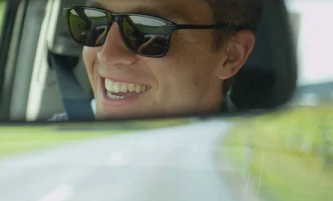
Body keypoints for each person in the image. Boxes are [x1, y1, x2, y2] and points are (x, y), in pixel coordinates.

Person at [49, 0, 262, 121]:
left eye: (148, 31)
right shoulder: (51, 144)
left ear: (232, 56)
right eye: (94, 23)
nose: (106, 54)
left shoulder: (257, 171)